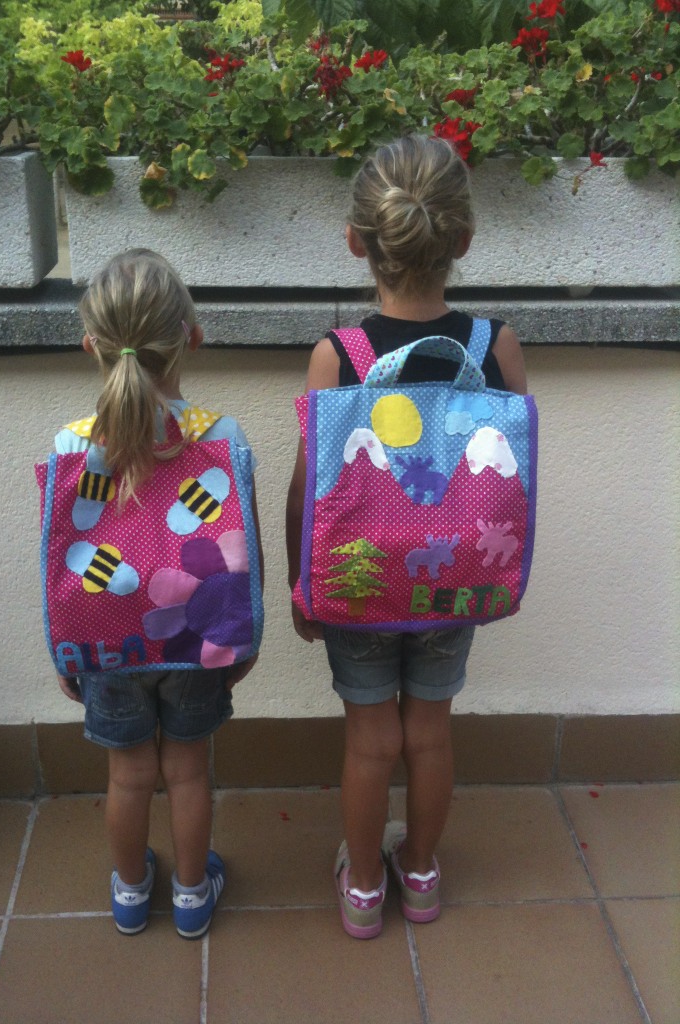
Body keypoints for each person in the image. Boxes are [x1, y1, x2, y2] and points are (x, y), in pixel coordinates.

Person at [285, 135, 527, 939]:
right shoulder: (495, 346)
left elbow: (309, 487)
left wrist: (301, 584)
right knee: (429, 732)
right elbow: (516, 474)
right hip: (456, 582)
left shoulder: (339, 356)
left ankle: (362, 887)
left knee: (370, 740)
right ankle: (419, 873)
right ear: (464, 239)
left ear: (357, 242)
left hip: (357, 582)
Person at [54, 249, 262, 939]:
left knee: (128, 776)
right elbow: (243, 553)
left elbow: (60, 560)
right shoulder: (222, 438)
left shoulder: (70, 447)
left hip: (106, 642)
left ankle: (130, 892)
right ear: (192, 337)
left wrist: (67, 650)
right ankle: (193, 895)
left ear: (92, 346)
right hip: (194, 639)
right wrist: (243, 637)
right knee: (188, 772)